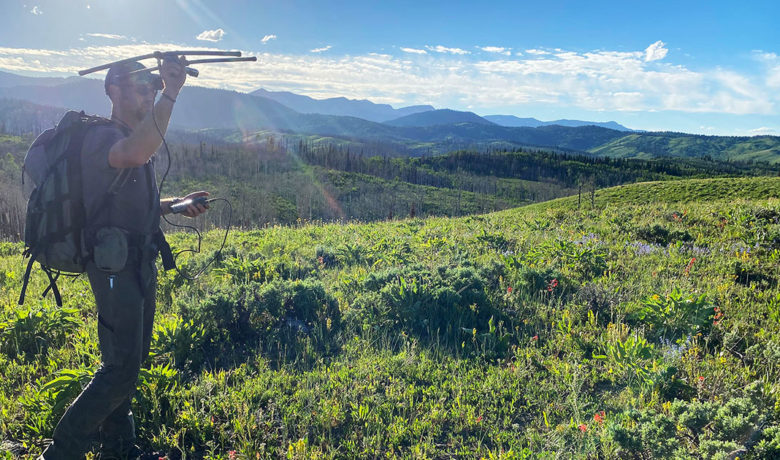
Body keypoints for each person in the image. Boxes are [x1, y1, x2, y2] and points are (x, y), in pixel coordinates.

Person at [39, 57, 209, 459]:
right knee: (120, 370)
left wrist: (176, 205)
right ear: (113, 91)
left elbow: (131, 203)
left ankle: (119, 448)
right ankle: (61, 452)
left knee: (128, 364)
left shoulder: (127, 136)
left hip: (137, 261)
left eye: (150, 88)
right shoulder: (103, 138)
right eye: (138, 87)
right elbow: (135, 152)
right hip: (113, 268)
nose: (146, 93)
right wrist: (171, 93)